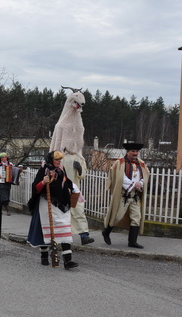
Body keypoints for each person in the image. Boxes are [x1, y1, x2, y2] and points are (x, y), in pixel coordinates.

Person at [48, 88, 94, 245]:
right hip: (61, 159)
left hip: (74, 162)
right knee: (59, 206)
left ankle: (84, 234)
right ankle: (57, 236)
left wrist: (80, 167)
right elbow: (55, 145)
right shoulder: (61, 125)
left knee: (77, 203)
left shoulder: (79, 124)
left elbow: (82, 171)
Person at [27, 151, 79, 270]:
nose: (59, 162)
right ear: (51, 160)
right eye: (56, 159)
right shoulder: (44, 170)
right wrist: (43, 182)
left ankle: (68, 260)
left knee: (64, 229)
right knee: (46, 230)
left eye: (60, 159)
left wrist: (74, 190)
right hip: (47, 204)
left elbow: (66, 183)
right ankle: (44, 256)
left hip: (62, 205)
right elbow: (35, 188)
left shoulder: (61, 170)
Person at [102, 143, 150, 248]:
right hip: (123, 195)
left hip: (135, 196)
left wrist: (141, 183)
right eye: (133, 151)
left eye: (136, 151)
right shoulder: (119, 163)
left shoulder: (141, 163)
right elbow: (119, 177)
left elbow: (146, 175)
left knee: (136, 218)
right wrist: (133, 184)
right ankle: (106, 232)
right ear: (128, 152)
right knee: (117, 216)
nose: (135, 153)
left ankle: (132, 242)